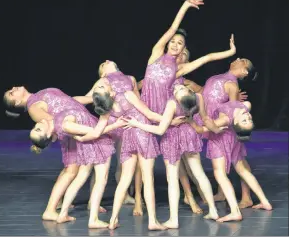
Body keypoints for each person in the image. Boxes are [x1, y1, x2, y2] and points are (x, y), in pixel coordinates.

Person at [74, 60, 191, 230]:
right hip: (141, 132)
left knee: (125, 179)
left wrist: (82, 138)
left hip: (128, 135)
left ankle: (113, 219)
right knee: (147, 178)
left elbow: (98, 130)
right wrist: (169, 121)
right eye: (102, 85)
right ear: (107, 86)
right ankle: (152, 221)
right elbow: (149, 113)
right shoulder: (127, 94)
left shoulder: (107, 109)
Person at [123, 83, 227, 228]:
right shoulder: (198, 97)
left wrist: (137, 124)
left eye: (179, 90)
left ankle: (174, 219)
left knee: (173, 179)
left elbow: (160, 130)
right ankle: (213, 210)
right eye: (178, 89)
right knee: (199, 173)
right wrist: (215, 129)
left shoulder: (172, 103)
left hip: (172, 138)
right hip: (189, 134)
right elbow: (205, 118)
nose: (177, 89)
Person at [3, 87, 108, 220]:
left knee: (75, 169)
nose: (13, 89)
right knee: (72, 170)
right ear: (17, 102)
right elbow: (57, 124)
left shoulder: (39, 94)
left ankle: (60, 203)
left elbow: (71, 101)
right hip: (72, 130)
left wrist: (94, 99)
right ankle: (50, 210)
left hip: (79, 121)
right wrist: (78, 132)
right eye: (11, 94)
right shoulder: (33, 108)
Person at [192, 57, 272, 222]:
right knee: (239, 166)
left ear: (244, 71)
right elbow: (212, 96)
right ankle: (263, 201)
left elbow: (224, 117)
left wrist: (198, 118)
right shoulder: (222, 82)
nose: (237, 58)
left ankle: (239, 205)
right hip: (221, 127)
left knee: (222, 171)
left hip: (221, 132)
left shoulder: (232, 86)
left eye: (242, 60)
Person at [29, 108, 123, 228]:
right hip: (97, 141)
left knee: (80, 177)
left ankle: (63, 213)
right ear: (48, 134)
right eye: (38, 130)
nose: (37, 125)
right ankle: (93, 219)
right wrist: (116, 124)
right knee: (101, 179)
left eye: (34, 128)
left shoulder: (55, 120)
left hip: (86, 144)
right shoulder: (65, 125)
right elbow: (96, 132)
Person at [74, 64, 143, 215]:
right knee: (101, 163)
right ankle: (93, 201)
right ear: (102, 73)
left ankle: (124, 195)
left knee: (123, 161)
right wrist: (69, 102)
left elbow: (138, 101)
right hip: (110, 123)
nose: (106, 60)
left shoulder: (130, 78)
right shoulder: (103, 81)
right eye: (103, 64)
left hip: (126, 123)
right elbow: (88, 98)